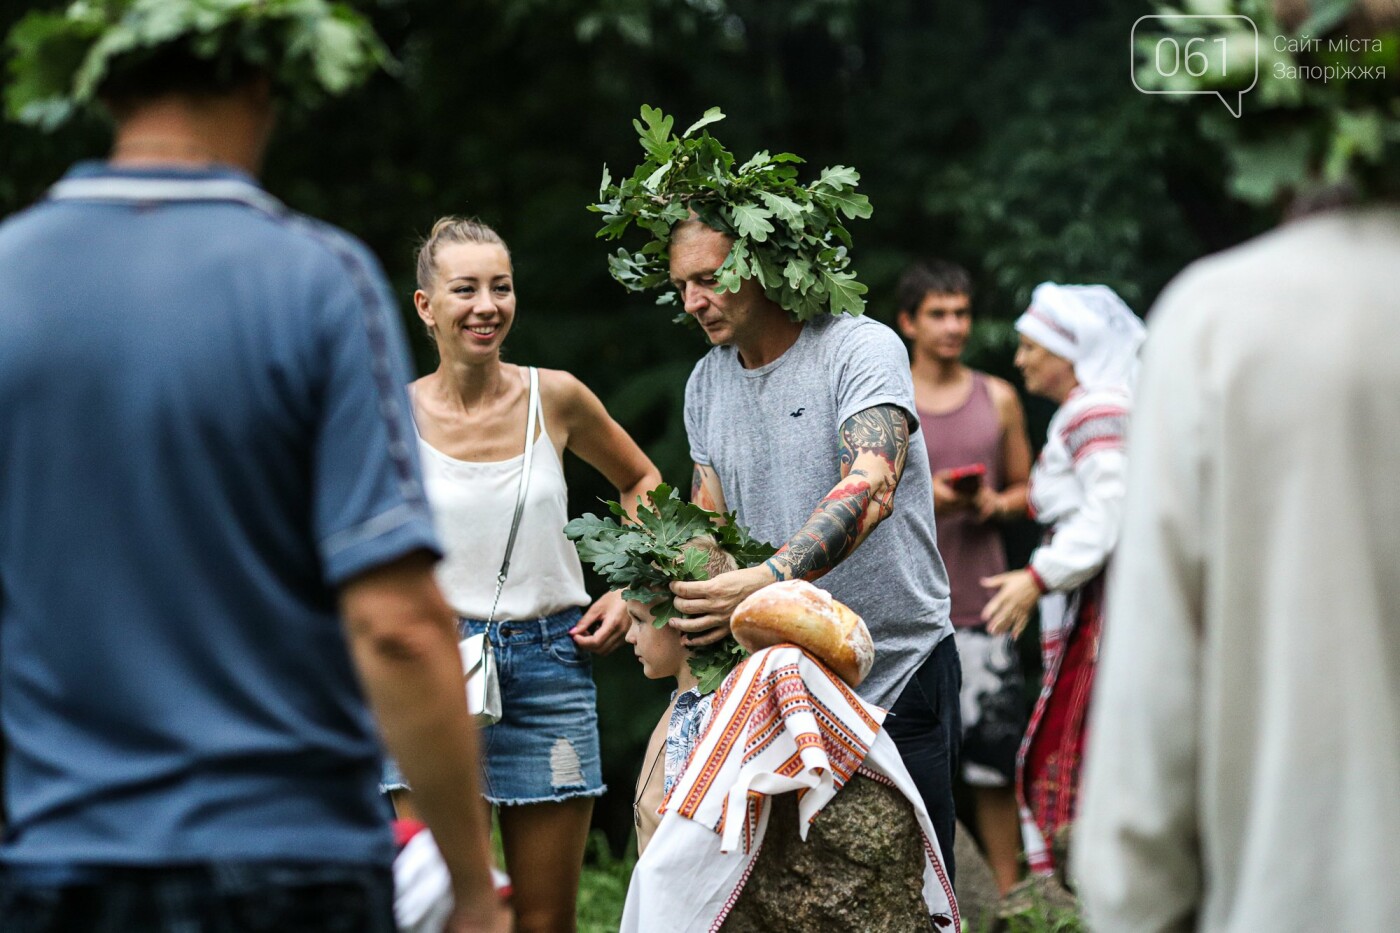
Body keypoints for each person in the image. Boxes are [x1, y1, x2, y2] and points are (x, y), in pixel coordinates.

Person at [0, 4, 507, 932]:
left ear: (100, 82)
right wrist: (472, 888)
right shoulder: (318, 279)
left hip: (59, 858)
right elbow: (396, 624)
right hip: (287, 861)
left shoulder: (8, 275)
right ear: (263, 81)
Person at [384, 216, 661, 933]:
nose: (487, 305)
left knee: (544, 922)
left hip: (550, 664)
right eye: (466, 289)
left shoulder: (557, 396)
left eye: (501, 288)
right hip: (430, 671)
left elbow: (641, 480)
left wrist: (630, 586)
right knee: (445, 913)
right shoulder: (391, 413)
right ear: (426, 307)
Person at [666, 217, 963, 878]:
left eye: (709, 279)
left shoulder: (860, 346)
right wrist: (694, 588)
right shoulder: (705, 382)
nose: (692, 302)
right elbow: (706, 520)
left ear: (764, 262)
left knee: (914, 893)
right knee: (794, 894)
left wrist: (766, 578)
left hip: (897, 668)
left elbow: (869, 486)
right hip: (780, 682)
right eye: (682, 285)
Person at [980, 282, 1144, 877]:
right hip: (1095, 602)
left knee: (1081, 743)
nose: (1020, 358)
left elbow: (1112, 511)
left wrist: (1037, 577)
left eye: (1031, 347)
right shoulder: (1097, 408)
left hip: (1102, 608)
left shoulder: (1095, 412)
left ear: (1069, 350)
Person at [897, 258, 1032, 895]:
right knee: (914, 761)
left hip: (985, 602)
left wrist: (990, 504)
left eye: (962, 313)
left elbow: (1031, 491)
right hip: (909, 610)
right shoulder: (886, 400)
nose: (954, 326)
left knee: (994, 765)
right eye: (938, 314)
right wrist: (930, 499)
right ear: (908, 323)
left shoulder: (998, 396)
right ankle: (929, 894)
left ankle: (1009, 900)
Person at [622, 536, 734, 855]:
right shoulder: (681, 700)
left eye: (640, 620)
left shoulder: (701, 713)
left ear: (685, 621)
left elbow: (691, 839)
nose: (629, 635)